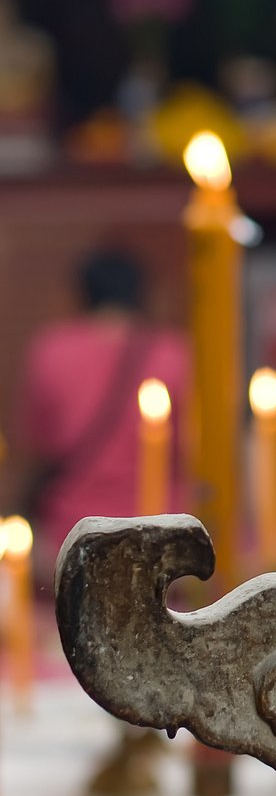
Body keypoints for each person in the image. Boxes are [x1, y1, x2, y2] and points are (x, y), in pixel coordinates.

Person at [13, 248, 189, 580]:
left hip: (75, 535)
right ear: (142, 293)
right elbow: (194, 451)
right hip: (161, 533)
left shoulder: (51, 350)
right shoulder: (175, 352)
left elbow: (37, 446)